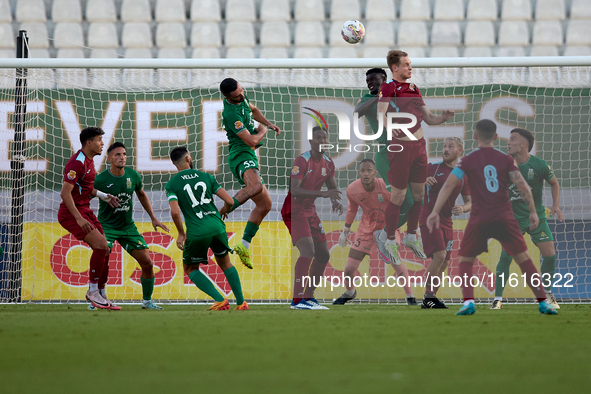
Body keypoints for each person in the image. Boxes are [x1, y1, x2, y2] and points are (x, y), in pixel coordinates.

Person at [426, 119, 558, 316]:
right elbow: (523, 187)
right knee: (523, 258)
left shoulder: (469, 160)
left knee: (465, 258)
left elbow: (448, 186)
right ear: (495, 137)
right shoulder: (504, 160)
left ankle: (469, 303)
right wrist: (532, 211)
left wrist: (435, 211)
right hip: (505, 216)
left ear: (476, 137)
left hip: (481, 215)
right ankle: (543, 302)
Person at [377, 50, 455, 265]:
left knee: (419, 194)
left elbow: (428, 118)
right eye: (406, 64)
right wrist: (390, 128)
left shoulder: (413, 88)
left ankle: (411, 235)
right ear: (395, 68)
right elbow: (380, 113)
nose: (410, 68)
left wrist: (443, 118)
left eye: (410, 64)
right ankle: (390, 239)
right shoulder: (389, 87)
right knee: (399, 196)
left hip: (420, 147)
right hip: (401, 148)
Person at [166, 147, 248, 311]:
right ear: (188, 158)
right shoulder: (206, 177)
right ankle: (241, 303)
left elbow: (174, 212)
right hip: (217, 226)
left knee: (190, 268)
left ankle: (219, 300)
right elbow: (230, 202)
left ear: (174, 163)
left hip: (197, 231)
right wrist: (221, 212)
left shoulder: (172, 184)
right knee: (226, 264)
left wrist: (181, 234)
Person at [491, 128, 563, 310]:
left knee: (550, 256)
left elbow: (554, 183)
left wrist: (555, 205)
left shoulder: (539, 165)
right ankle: (497, 299)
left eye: (513, 139)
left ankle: (547, 292)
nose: (508, 142)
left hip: (537, 216)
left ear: (524, 144)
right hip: (512, 219)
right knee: (506, 257)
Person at [94, 142, 170, 310]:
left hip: (128, 227)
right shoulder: (100, 179)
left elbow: (141, 195)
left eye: (124, 154)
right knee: (103, 257)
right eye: (118, 155)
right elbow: (86, 196)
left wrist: (153, 218)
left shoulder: (133, 176)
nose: (122, 158)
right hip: (107, 226)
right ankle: (97, 297)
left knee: (148, 263)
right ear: (109, 159)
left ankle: (147, 301)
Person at [334, 159, 417, 305]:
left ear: (375, 172)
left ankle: (410, 296)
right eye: (363, 171)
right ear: (359, 172)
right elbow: (352, 209)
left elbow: (402, 203)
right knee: (349, 268)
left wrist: (408, 226)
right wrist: (345, 231)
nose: (366, 174)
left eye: (369, 170)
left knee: (395, 260)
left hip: (388, 227)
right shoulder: (352, 189)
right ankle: (350, 292)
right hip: (366, 229)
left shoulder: (386, 185)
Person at [354, 67, 416, 264]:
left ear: (385, 79)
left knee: (413, 203)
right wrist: (379, 96)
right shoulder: (366, 98)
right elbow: (357, 113)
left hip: (405, 151)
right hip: (386, 153)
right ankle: (384, 236)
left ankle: (382, 235)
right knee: (402, 199)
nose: (370, 83)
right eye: (368, 80)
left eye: (374, 79)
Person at [219, 77, 281, 269]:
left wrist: (268, 123)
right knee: (255, 186)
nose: (242, 95)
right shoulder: (231, 114)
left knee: (265, 205)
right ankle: (223, 209)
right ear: (228, 97)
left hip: (248, 155)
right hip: (240, 155)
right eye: (237, 95)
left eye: (241, 91)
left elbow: (253, 110)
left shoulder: (241, 98)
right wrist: (263, 131)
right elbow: (252, 141)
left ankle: (244, 244)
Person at [281, 126, 344, 310]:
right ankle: (297, 300)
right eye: (318, 138)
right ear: (311, 141)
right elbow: (294, 190)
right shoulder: (302, 161)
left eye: (325, 138)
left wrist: (335, 201)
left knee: (323, 254)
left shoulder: (328, 163)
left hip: (310, 211)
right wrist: (323, 194)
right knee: (308, 251)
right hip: (294, 210)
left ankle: (308, 297)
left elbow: (332, 187)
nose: (322, 141)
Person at [58, 127, 120, 310]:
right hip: (72, 213)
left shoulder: (89, 161)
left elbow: (84, 189)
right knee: (101, 245)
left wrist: (103, 195)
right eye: (100, 140)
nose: (102, 143)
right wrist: (78, 218)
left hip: (85, 210)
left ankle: (100, 293)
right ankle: (92, 292)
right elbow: (65, 193)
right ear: (88, 142)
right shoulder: (77, 163)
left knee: (106, 248)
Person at [419, 137, 471, 309]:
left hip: (447, 221)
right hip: (429, 217)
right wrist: (422, 182)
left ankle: (432, 297)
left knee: (445, 261)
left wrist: (463, 208)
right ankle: (428, 296)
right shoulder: (432, 169)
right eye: (444, 146)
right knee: (439, 255)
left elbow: (471, 202)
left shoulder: (462, 176)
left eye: (451, 146)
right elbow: (411, 186)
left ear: (459, 151)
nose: (446, 149)